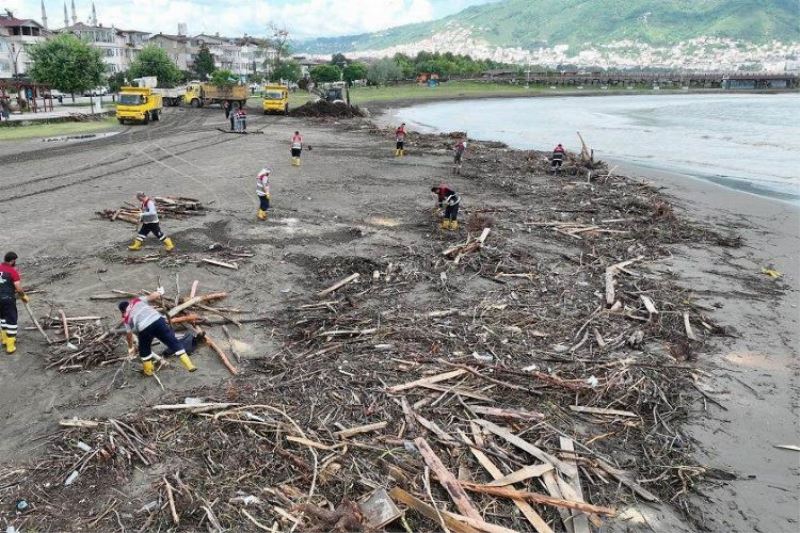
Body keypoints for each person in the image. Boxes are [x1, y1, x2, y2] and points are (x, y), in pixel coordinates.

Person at [119, 288, 196, 376]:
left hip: (145, 328)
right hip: (158, 321)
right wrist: (160, 292)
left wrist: (130, 347)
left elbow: (129, 335)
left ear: (122, 311)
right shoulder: (136, 301)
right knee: (172, 342)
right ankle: (190, 365)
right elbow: (152, 297)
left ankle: (149, 371)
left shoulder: (126, 319)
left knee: (144, 349)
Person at [0, 252, 28, 354]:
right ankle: (10, 346)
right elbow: (18, 287)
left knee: (2, 318)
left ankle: (4, 339)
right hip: (7, 299)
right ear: (12, 261)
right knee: (11, 320)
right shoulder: (12, 271)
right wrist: (23, 296)